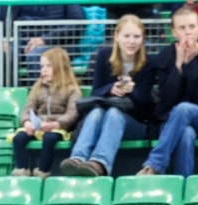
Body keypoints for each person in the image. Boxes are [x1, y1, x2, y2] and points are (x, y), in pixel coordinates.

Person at [59, 14, 153, 177]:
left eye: (136, 36)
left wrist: (133, 91)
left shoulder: (149, 62)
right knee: (96, 113)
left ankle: (100, 163)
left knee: (114, 114)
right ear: (117, 36)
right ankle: (77, 158)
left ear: (143, 39)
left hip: (135, 122)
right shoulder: (103, 55)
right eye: (127, 36)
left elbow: (146, 104)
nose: (131, 41)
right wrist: (111, 88)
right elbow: (96, 91)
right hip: (104, 113)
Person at [138, 7, 198, 177]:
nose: (188, 33)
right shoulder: (165, 55)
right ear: (173, 31)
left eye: (192, 27)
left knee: (184, 108)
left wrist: (191, 63)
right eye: (182, 28)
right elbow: (167, 100)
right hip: (171, 120)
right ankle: (182, 186)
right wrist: (178, 65)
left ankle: (155, 164)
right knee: (186, 133)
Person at [11, 48, 81, 179]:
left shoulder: (72, 90)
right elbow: (27, 109)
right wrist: (27, 122)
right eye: (42, 66)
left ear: (60, 67)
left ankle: (43, 171)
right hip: (38, 126)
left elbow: (72, 113)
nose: (44, 70)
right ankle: (22, 169)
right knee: (19, 138)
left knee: (50, 139)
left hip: (58, 128)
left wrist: (56, 124)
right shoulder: (37, 88)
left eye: (48, 66)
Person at [0, 4, 86, 87]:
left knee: (37, 57)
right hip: (16, 40)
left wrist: (45, 39)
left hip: (52, 42)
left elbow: (77, 22)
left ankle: (37, 108)